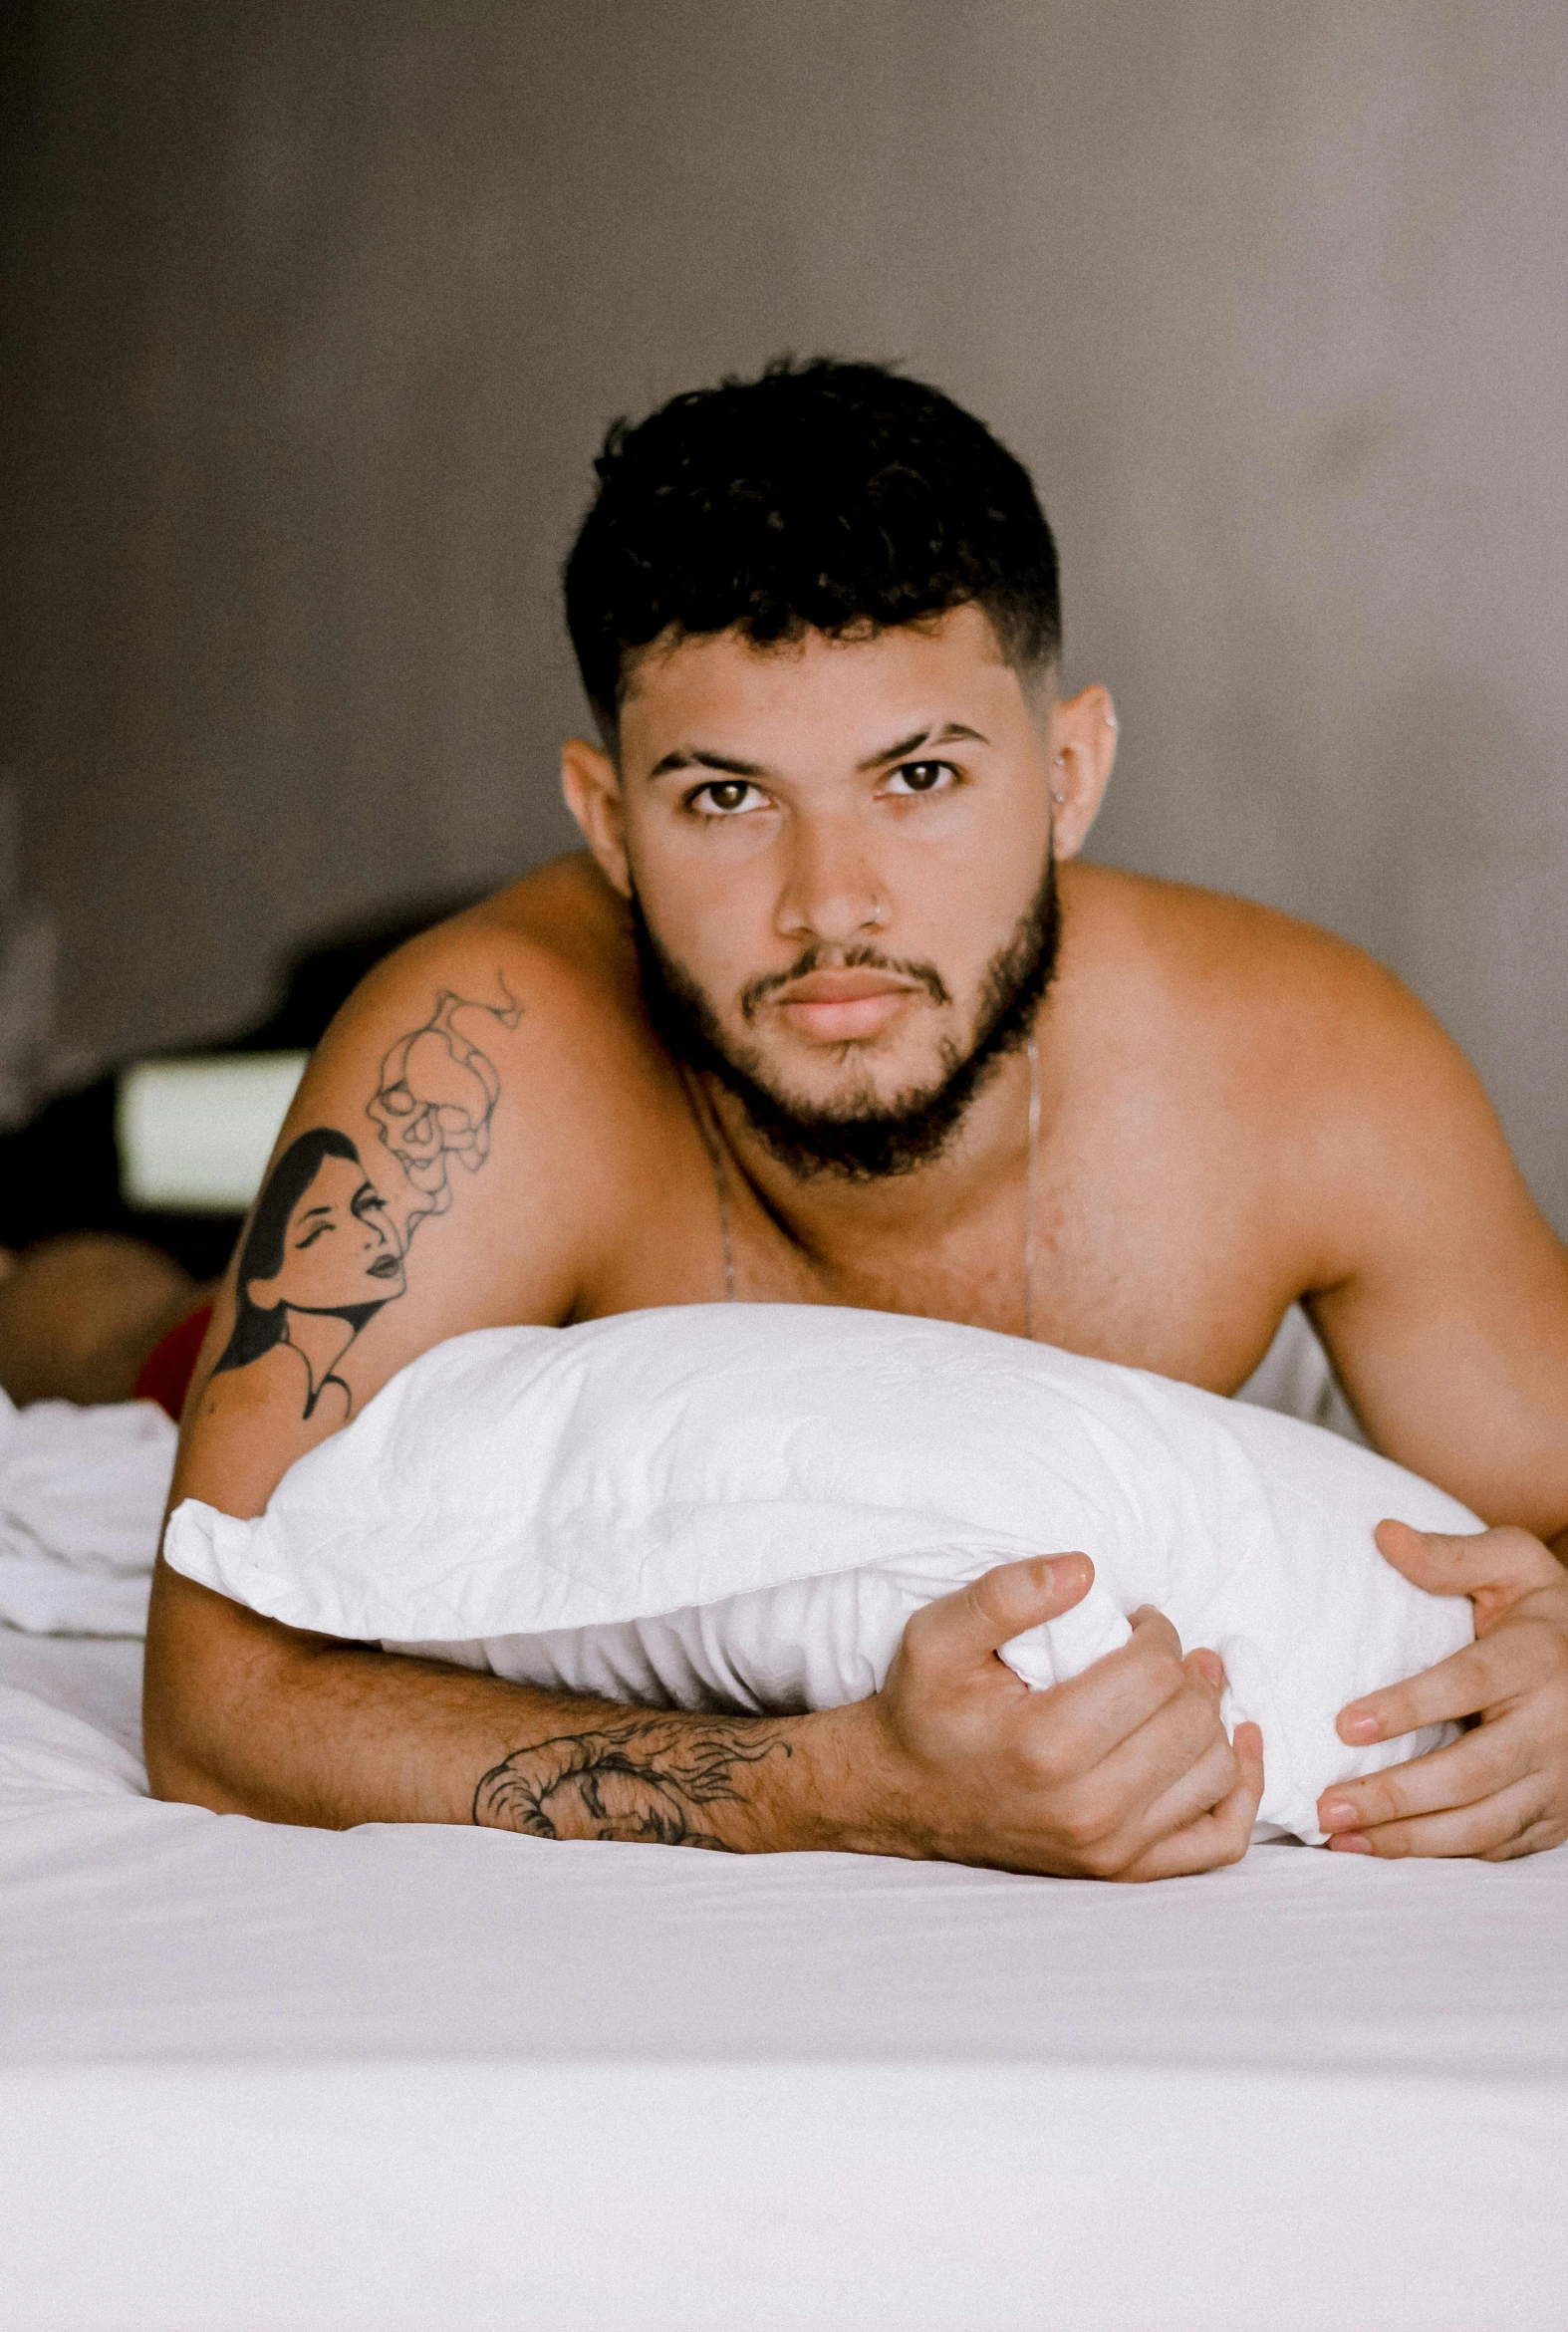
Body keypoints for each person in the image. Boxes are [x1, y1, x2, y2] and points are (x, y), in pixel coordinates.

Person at [143, 359, 1568, 1878]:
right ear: (608, 823)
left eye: (919, 775)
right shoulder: (480, 1061)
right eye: (723, 799)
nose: (831, 907)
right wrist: (832, 1788)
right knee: (134, 1337)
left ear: (1069, 772)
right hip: (292, 1294)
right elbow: (210, 1705)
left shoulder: (1309, 1061)